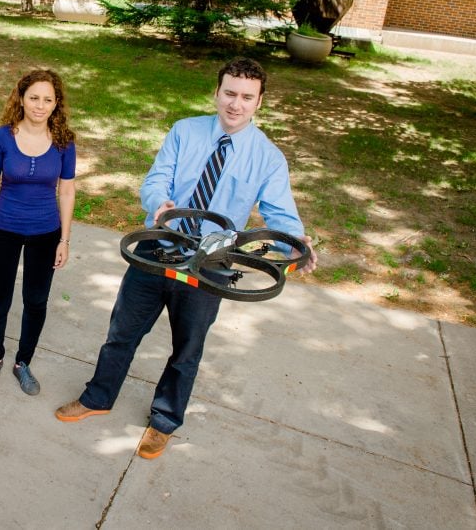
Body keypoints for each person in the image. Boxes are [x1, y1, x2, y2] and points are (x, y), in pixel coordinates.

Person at [54, 57, 318, 460]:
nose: (236, 104)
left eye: (247, 97)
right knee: (122, 332)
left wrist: (294, 245)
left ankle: (163, 421)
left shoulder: (268, 157)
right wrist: (160, 204)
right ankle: (98, 397)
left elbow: (280, 216)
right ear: (216, 93)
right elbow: (157, 177)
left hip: (209, 265)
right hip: (158, 248)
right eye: (229, 93)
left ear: (259, 103)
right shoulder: (185, 131)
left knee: (187, 349)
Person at [0, 69, 76, 395]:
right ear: (21, 98)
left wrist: (64, 239)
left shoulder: (64, 141)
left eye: (48, 99)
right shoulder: (2, 137)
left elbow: (68, 191)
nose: (40, 105)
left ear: (56, 103)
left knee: (36, 301)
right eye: (34, 97)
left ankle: (23, 363)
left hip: (46, 232)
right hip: (4, 229)